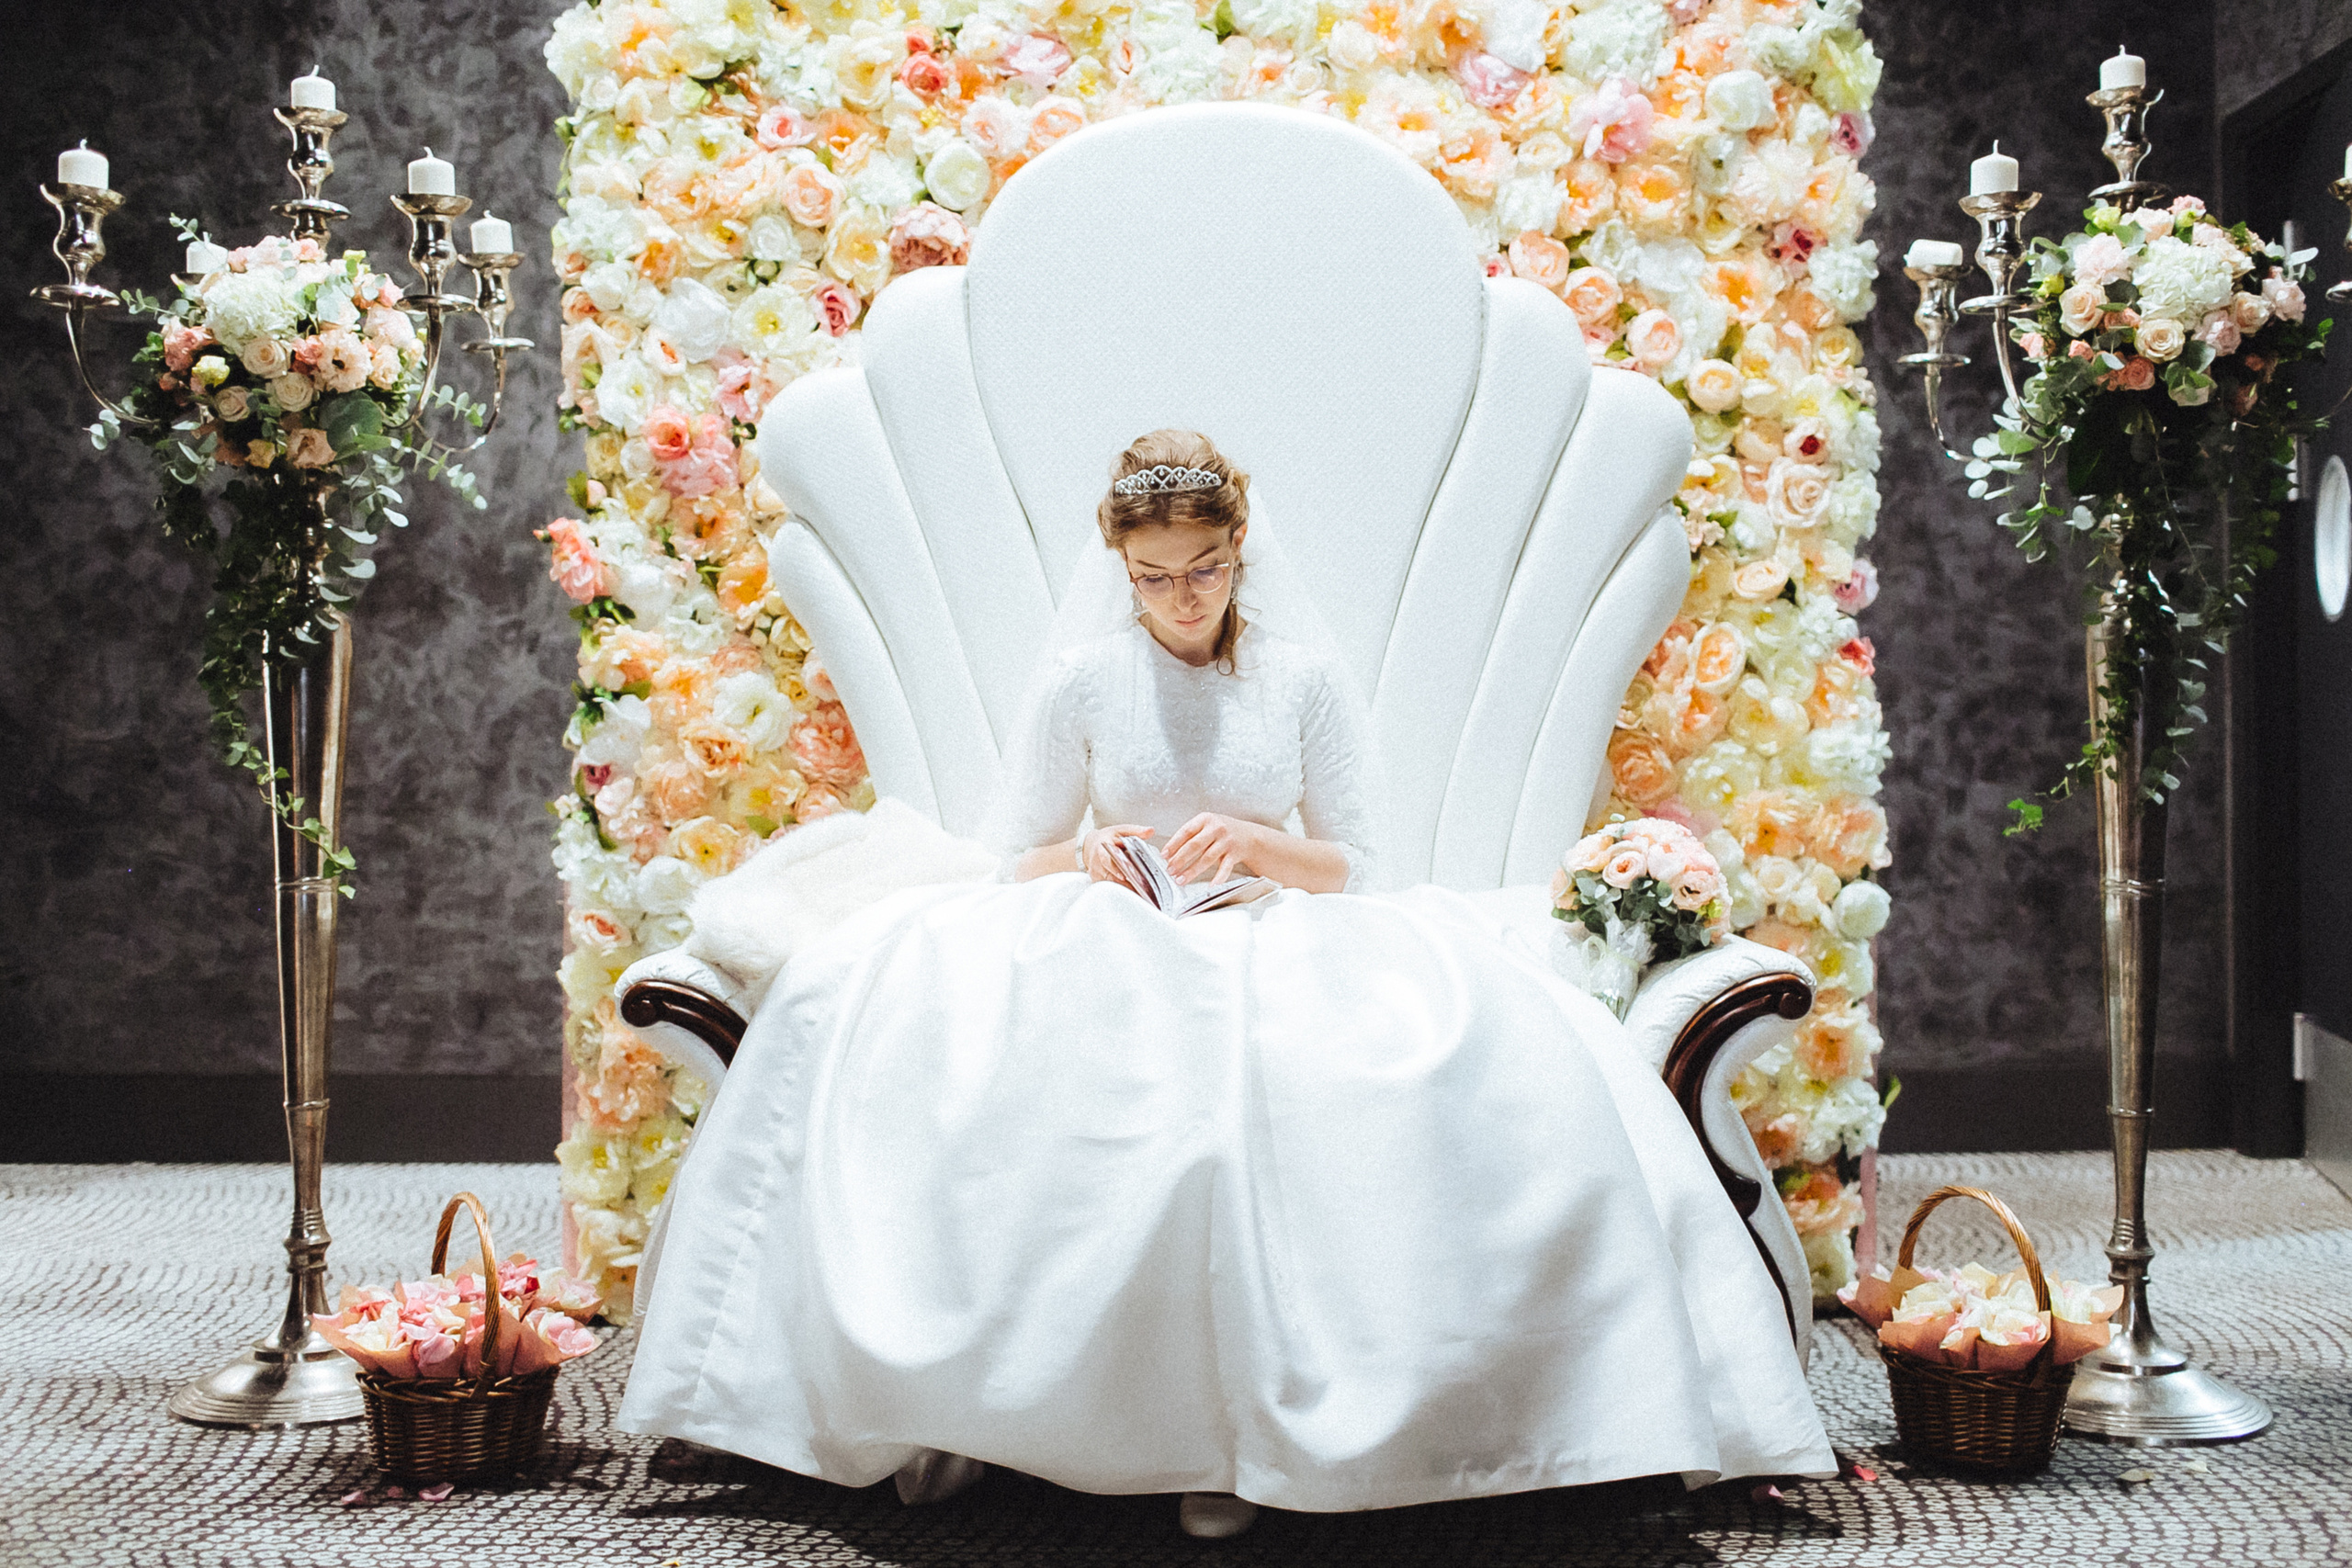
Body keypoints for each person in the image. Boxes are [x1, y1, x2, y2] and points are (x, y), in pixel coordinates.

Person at [617, 430, 1833, 1540]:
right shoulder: (1084, 680)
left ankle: (1296, 1429)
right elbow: (1012, 856)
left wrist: (1259, 847)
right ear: (1121, 567)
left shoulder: (1300, 680)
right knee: (1040, 1068)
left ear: (1238, 548)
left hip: (1270, 924)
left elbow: (1357, 861)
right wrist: (1090, 856)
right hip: (1111, 925)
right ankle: (1010, 1411)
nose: (1181, 597)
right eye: (1153, 577)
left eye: (1202, 568)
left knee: (1385, 1062)